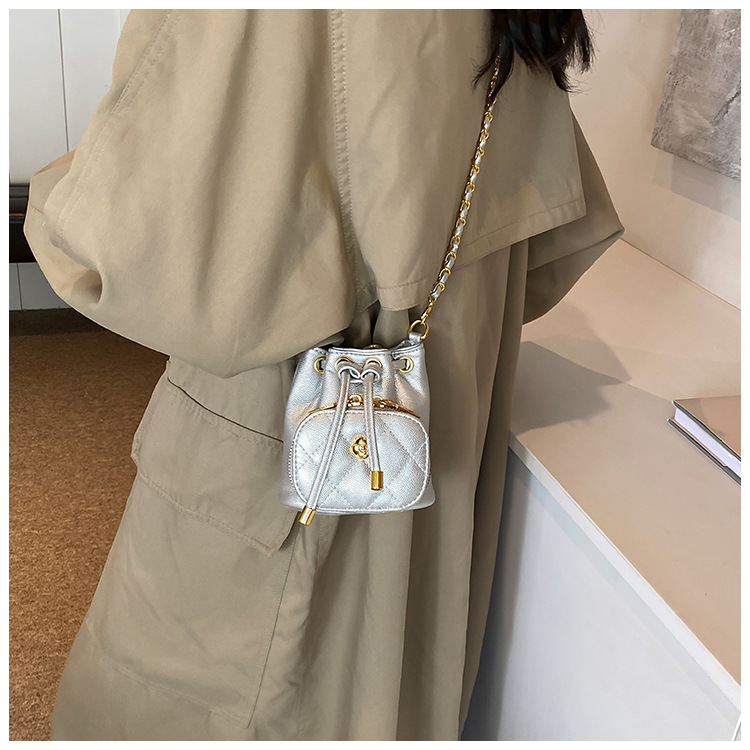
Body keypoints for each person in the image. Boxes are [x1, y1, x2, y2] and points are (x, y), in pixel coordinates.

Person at [24, 9, 623, 741]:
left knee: (234, 693)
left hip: (278, 435)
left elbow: (128, 250)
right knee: (390, 686)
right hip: (443, 415)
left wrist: (58, 195)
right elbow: (547, 249)